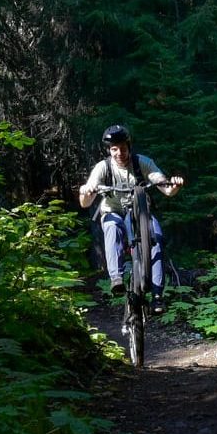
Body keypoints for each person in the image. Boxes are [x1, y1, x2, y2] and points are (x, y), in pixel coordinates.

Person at [77, 124, 185, 314]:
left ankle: (157, 296)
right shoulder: (103, 168)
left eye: (123, 148)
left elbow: (165, 188)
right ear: (109, 150)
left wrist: (174, 185)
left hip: (140, 212)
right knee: (112, 227)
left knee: (156, 238)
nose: (119, 153)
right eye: (114, 149)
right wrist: (87, 192)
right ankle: (116, 278)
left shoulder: (141, 162)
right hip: (113, 211)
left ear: (129, 146)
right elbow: (85, 202)